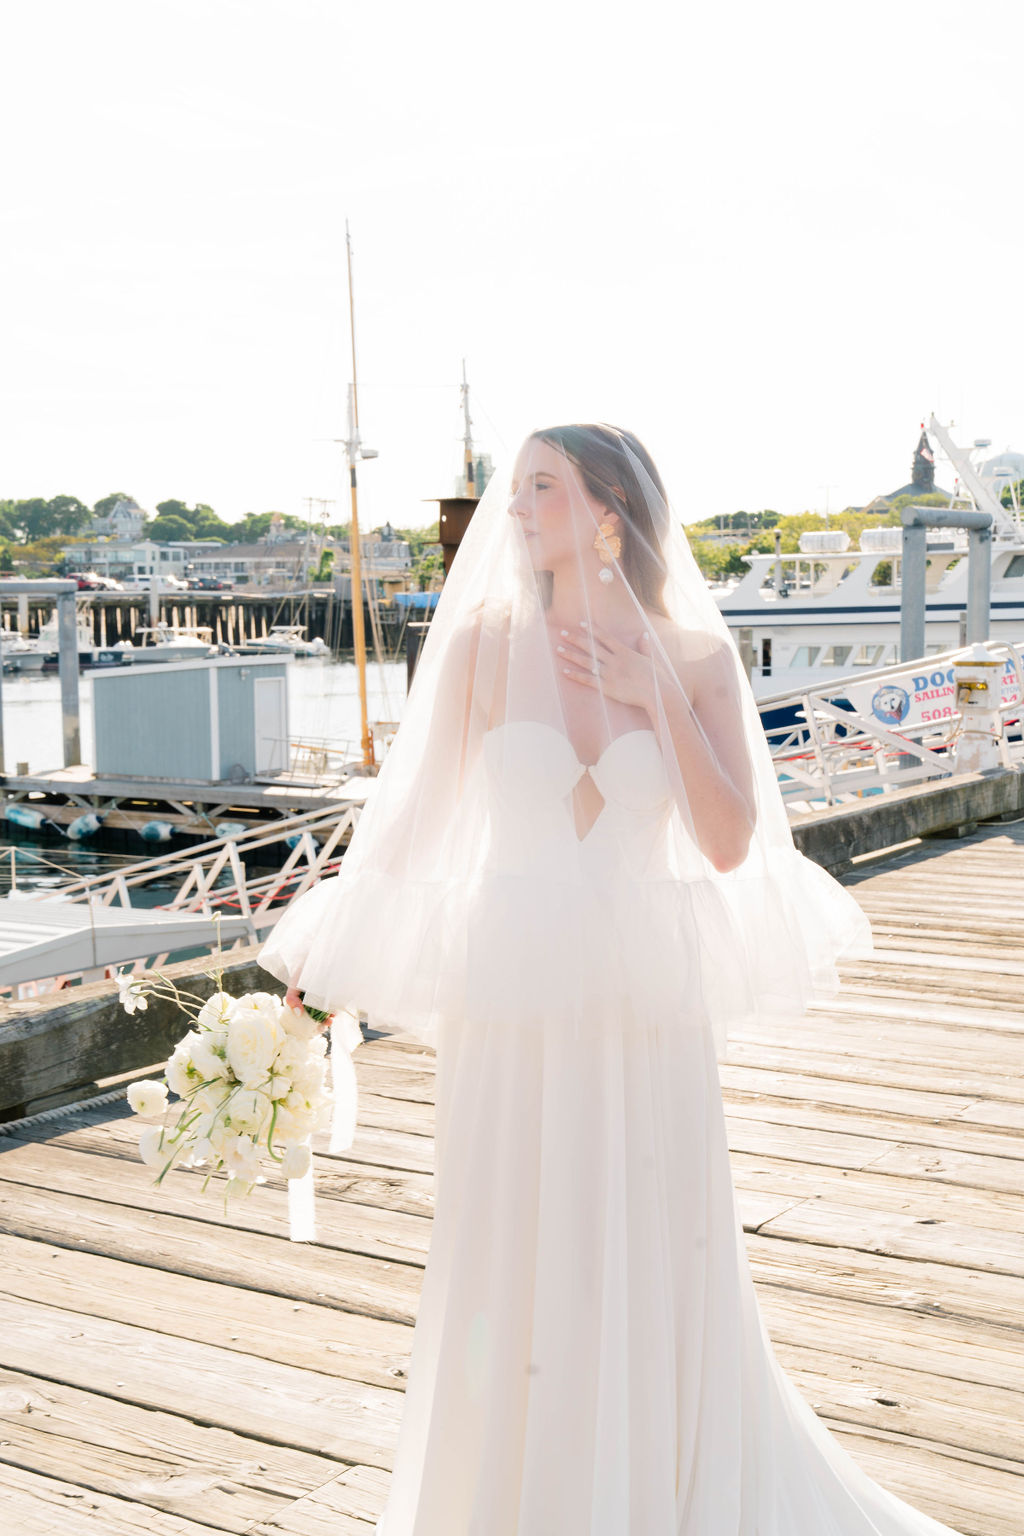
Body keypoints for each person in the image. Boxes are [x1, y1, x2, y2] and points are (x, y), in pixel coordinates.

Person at [260, 424, 962, 1534]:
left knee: (653, 1241)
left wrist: (656, 695)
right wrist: (316, 970)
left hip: (642, 1007)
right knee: (515, 1245)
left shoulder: (690, 654)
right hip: (513, 999)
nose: (512, 505)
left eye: (540, 485)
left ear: (605, 514)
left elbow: (731, 842)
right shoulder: (486, 644)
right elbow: (416, 828)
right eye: (518, 484)